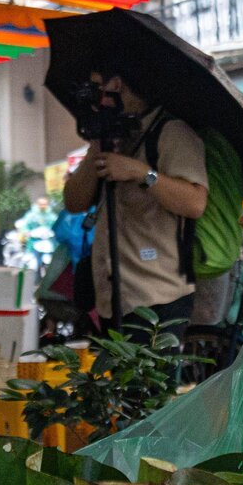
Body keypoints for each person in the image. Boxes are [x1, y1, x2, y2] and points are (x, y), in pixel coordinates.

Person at [62, 66, 209, 336]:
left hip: (157, 299)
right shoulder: (114, 137)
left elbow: (195, 203)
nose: (99, 101)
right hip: (110, 298)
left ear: (122, 84)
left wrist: (141, 173)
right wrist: (98, 145)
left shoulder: (171, 132)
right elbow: (73, 202)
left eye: (102, 90)